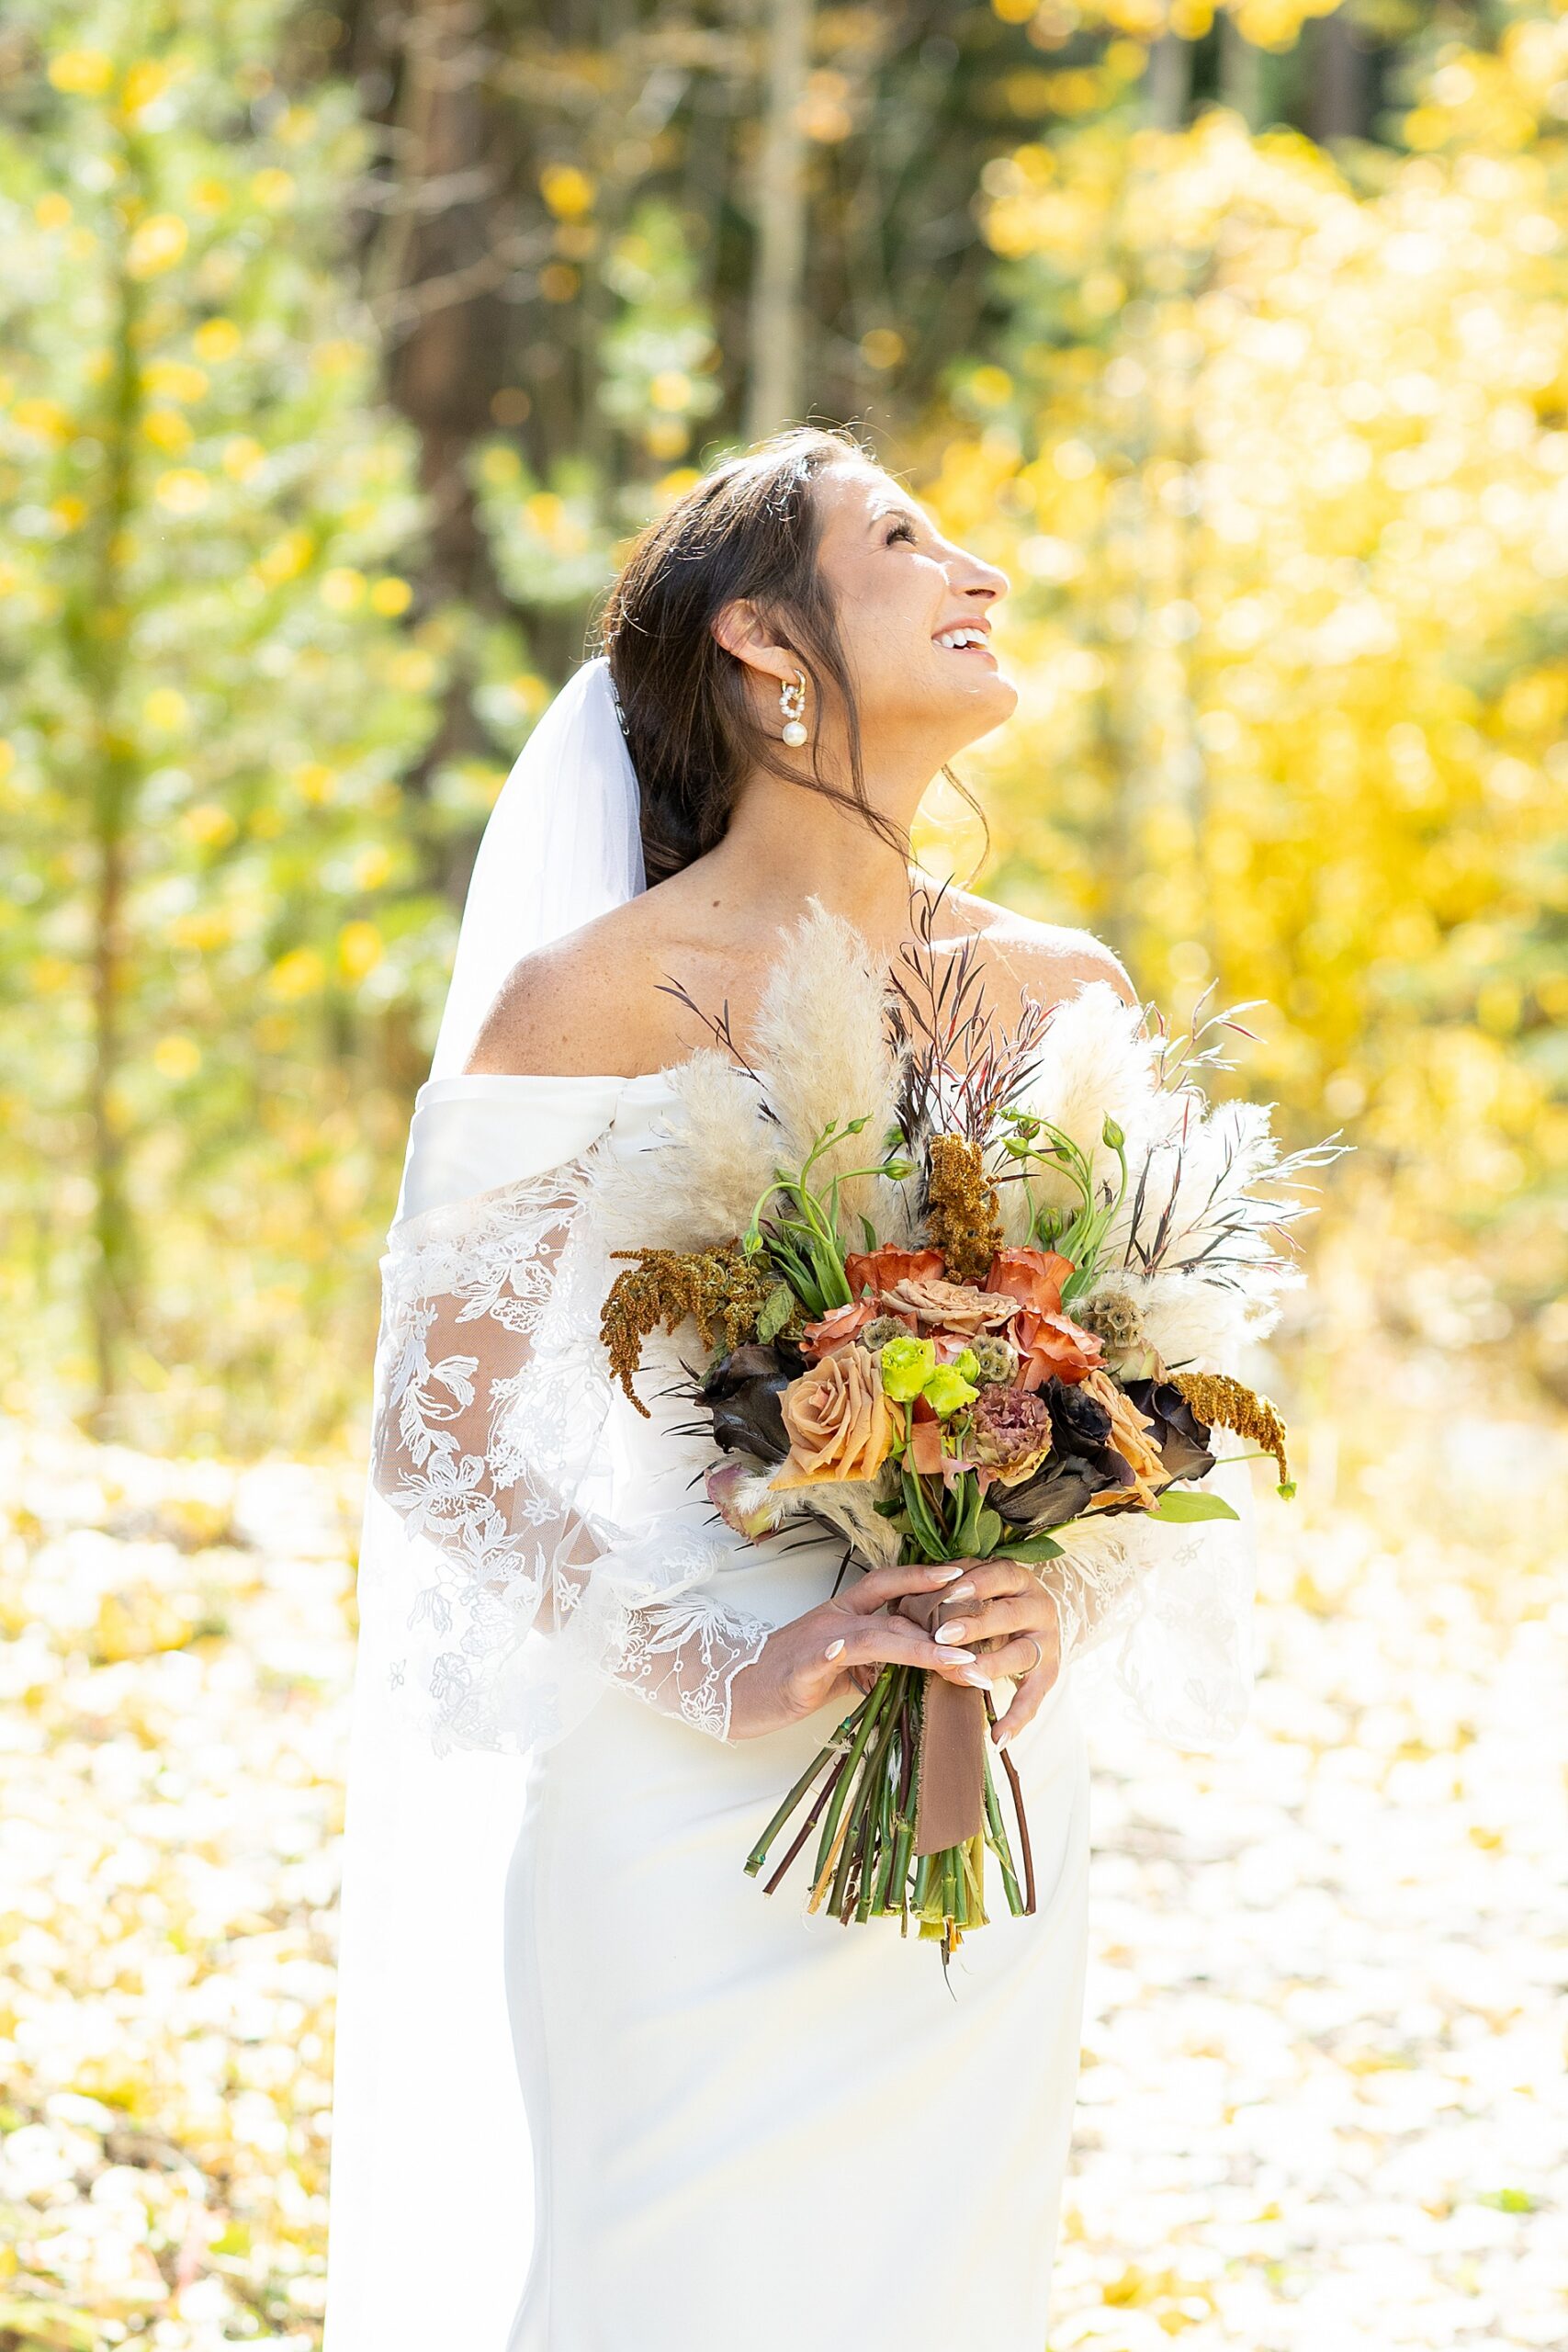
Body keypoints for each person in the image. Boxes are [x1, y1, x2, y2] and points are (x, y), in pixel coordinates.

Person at [322, 425, 1254, 2351]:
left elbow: (1158, 1394)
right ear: (765, 641)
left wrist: (1052, 1591)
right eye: (907, 541)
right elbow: (435, 1428)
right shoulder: (591, 988)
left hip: (981, 1780)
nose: (977, 570)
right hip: (679, 1792)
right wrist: (706, 1661)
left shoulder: (1066, 990)